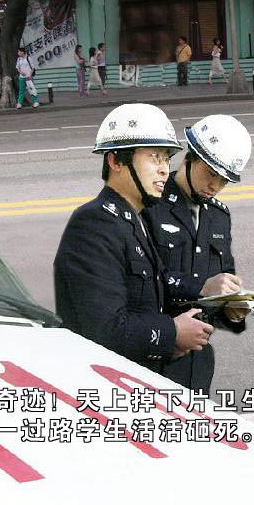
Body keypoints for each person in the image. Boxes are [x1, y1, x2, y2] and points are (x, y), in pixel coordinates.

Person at [54, 104, 216, 374]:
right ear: (116, 161)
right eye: (154, 157)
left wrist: (206, 289)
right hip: (106, 383)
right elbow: (105, 329)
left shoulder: (133, 218)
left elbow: (158, 281)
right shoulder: (94, 224)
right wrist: (172, 332)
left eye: (167, 159)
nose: (164, 169)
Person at [143, 115, 252, 392]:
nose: (215, 186)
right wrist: (201, 286)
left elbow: (223, 281)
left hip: (197, 365)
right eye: (211, 173)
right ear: (190, 157)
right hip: (151, 360)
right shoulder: (149, 205)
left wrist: (233, 310)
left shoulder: (219, 217)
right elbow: (141, 281)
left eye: (224, 180)